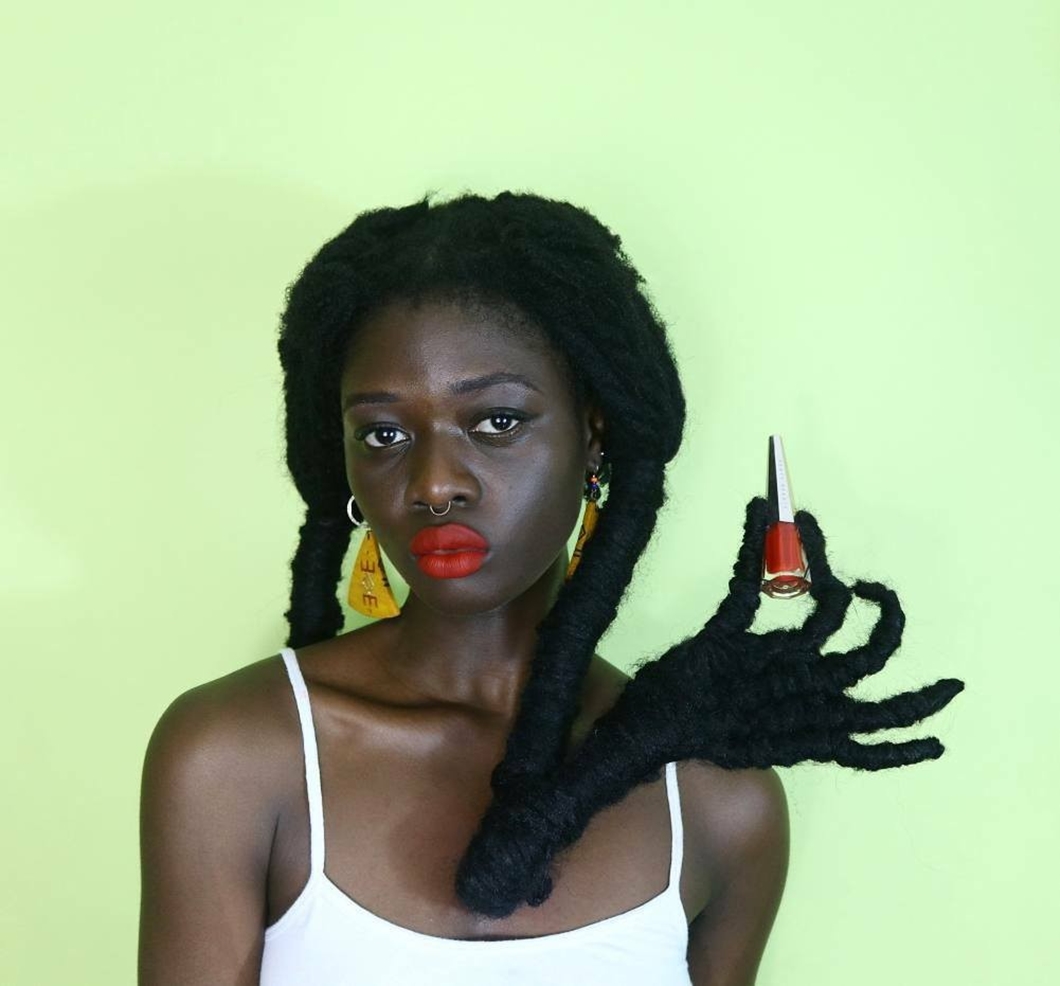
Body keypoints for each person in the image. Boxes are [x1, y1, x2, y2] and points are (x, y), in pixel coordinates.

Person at [138, 192, 962, 985]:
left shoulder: (716, 803)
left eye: (496, 421)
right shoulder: (233, 757)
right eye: (384, 433)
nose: (435, 483)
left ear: (594, 436)